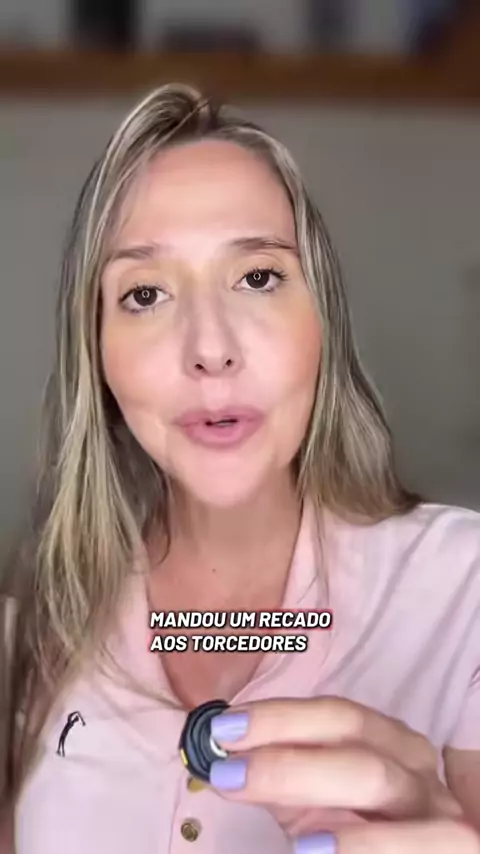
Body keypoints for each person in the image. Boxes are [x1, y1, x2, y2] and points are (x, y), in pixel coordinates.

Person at [0, 83, 479, 854]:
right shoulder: (32, 629)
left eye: (258, 277)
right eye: (145, 293)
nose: (211, 348)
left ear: (322, 319)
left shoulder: (464, 592)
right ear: (98, 358)